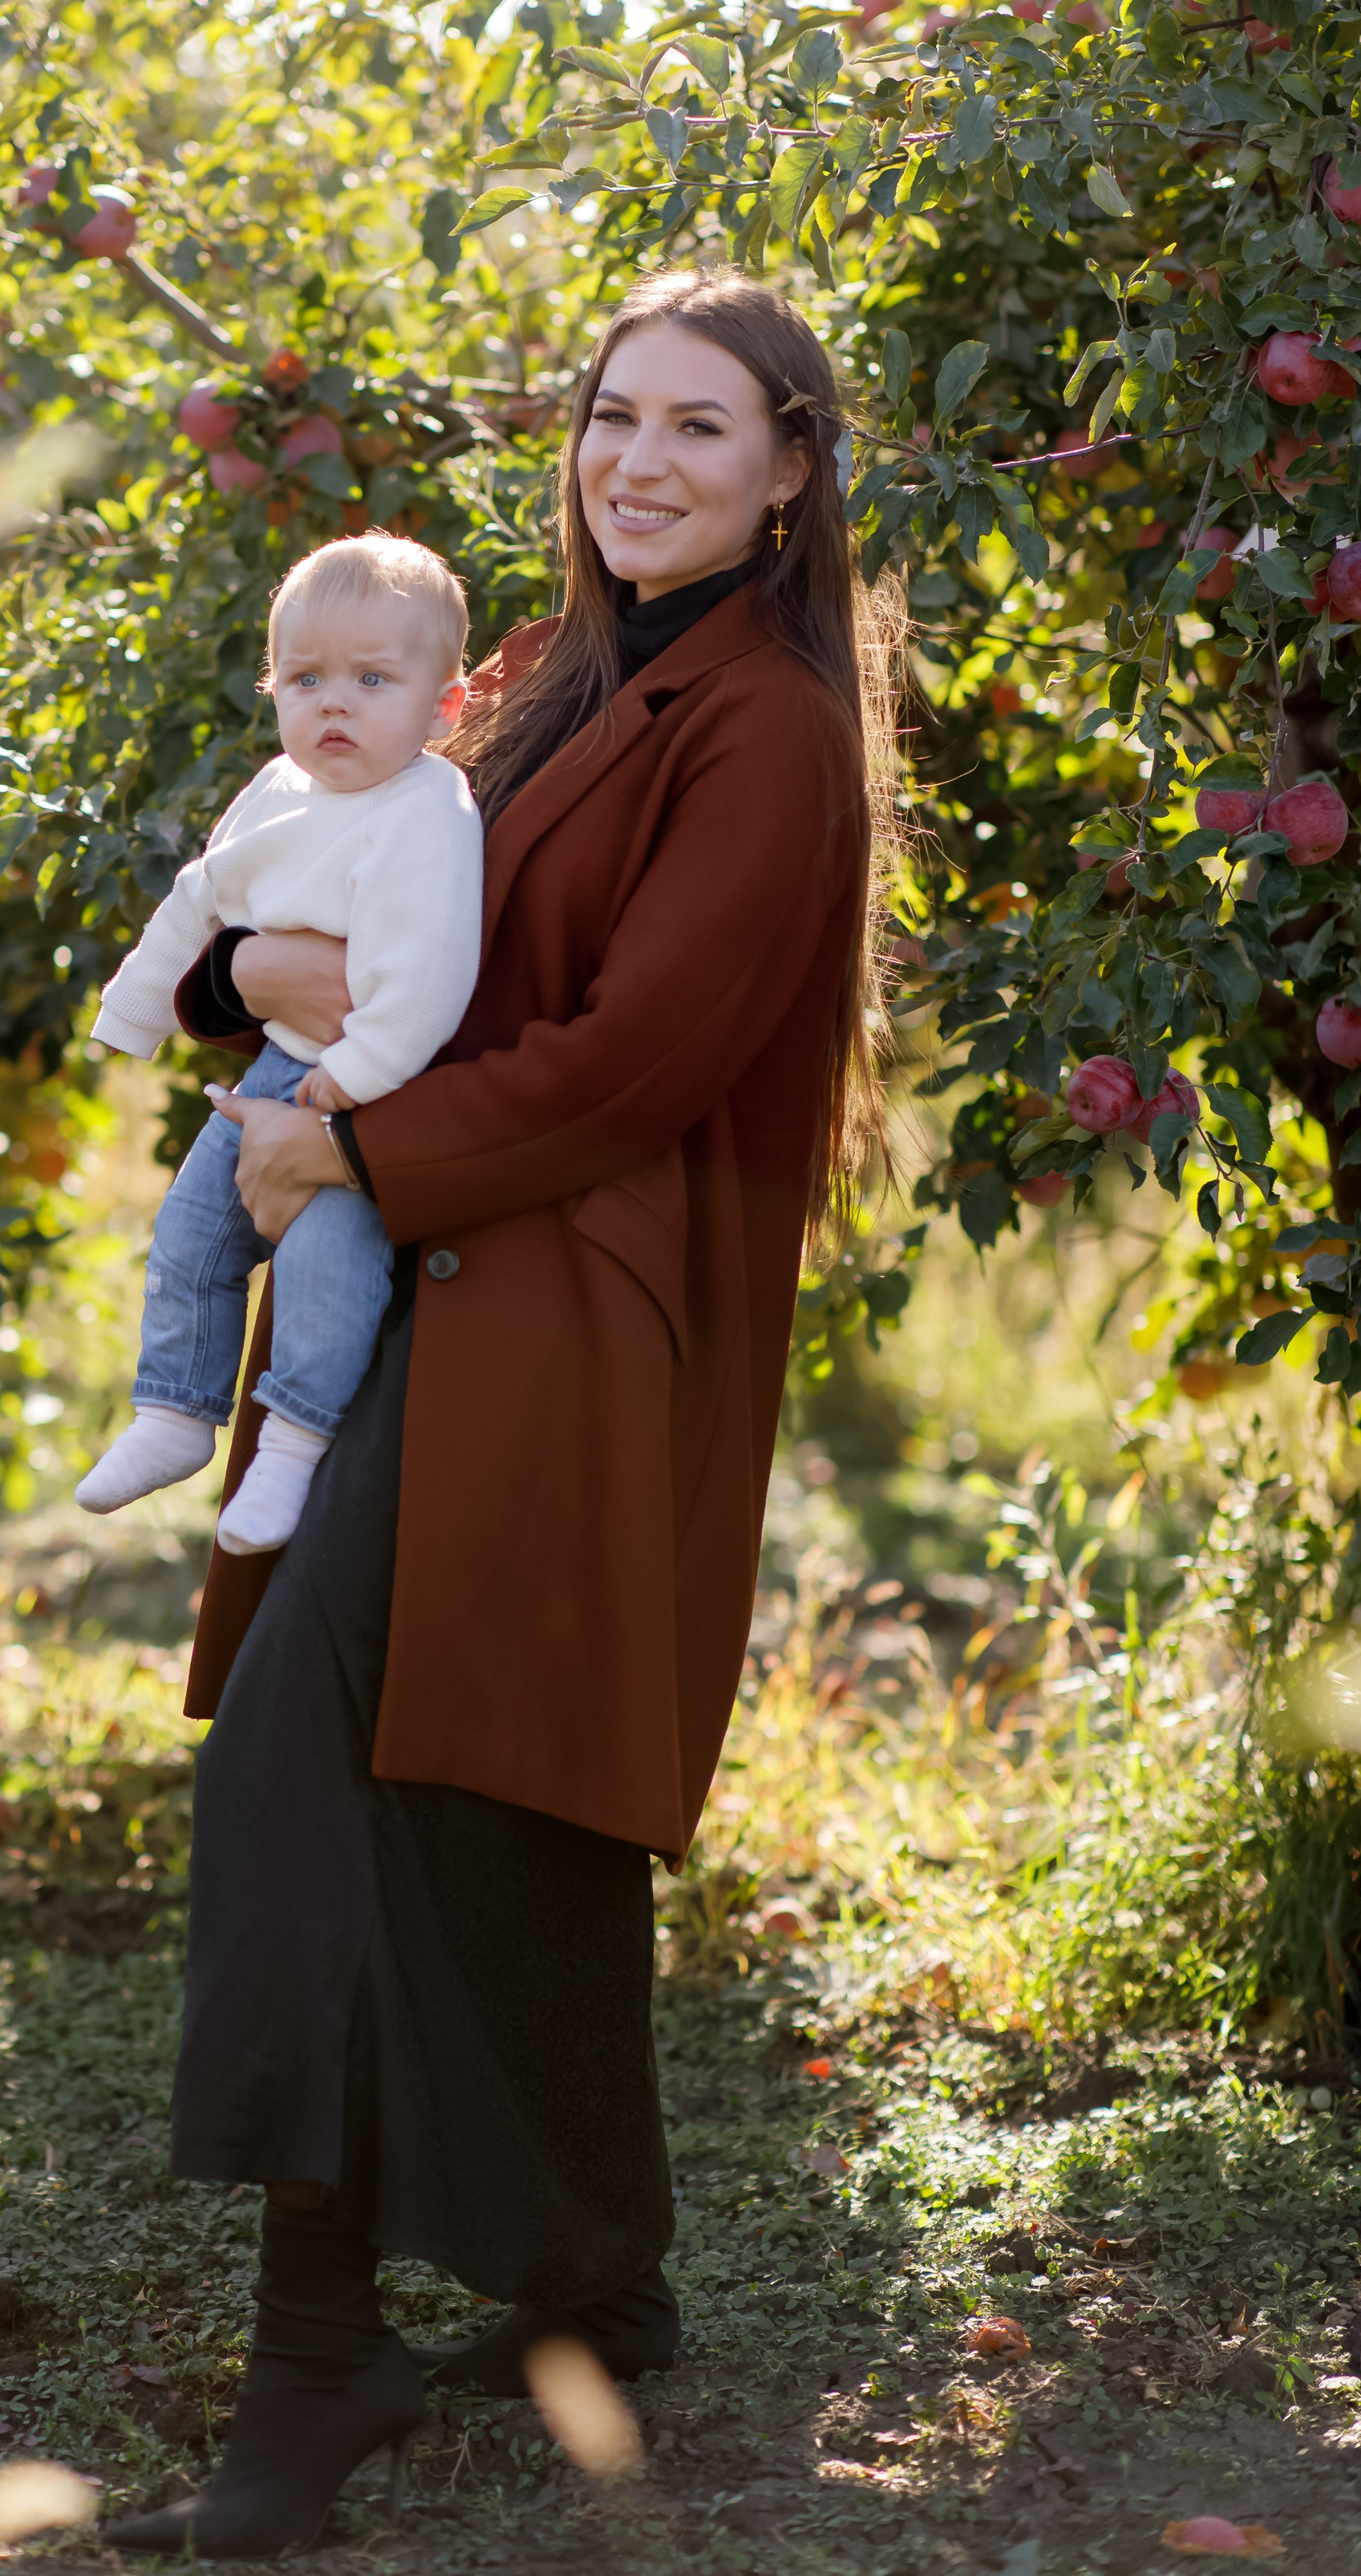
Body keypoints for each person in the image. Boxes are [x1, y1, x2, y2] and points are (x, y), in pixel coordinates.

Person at [107, 269, 899, 2558]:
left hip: (571, 1317)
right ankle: (596, 2280)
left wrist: (346, 1142)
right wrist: (255, 991)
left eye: (698, 429)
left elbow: (636, 1056)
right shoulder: (545, 685)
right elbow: (342, 907)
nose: (638, 462)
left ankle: (315, 2350)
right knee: (453, 1783)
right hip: (446, 1278)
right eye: (611, 418)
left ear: (789, 471)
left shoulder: (764, 728)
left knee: (331, 1760)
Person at [77, 533, 484, 1552]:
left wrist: (347, 1083)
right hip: (279, 1065)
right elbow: (198, 903)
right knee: (192, 1232)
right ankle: (174, 1412)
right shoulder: (275, 793)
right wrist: (133, 1016)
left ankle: (291, 1451)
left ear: (446, 706)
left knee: (326, 1268)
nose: (332, 704)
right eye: (306, 679)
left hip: (377, 1086)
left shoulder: (429, 812)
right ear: (272, 690)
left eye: (371, 679)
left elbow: (427, 981)